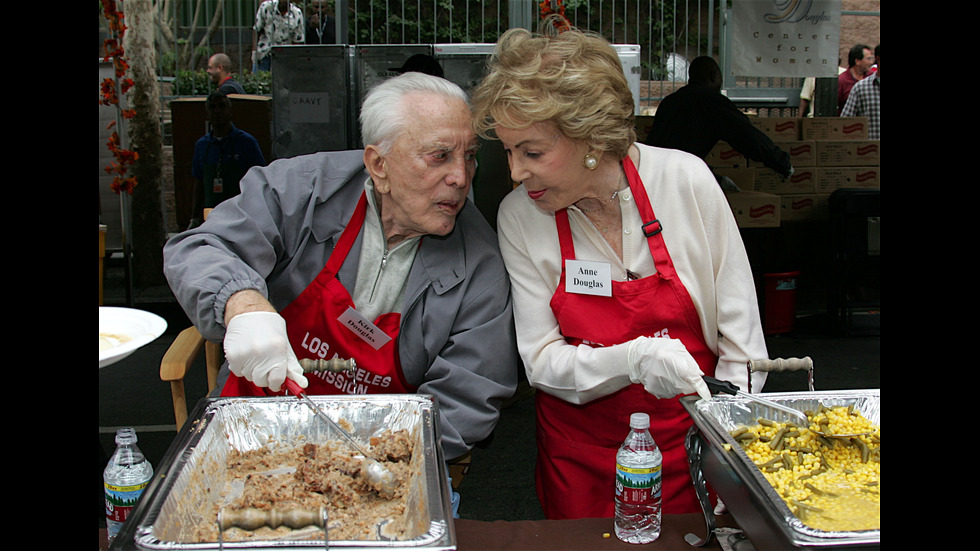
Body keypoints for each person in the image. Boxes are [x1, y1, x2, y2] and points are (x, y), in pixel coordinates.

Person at [471, 18, 768, 520]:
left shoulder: (685, 182)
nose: (516, 172)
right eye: (507, 151)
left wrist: (726, 441)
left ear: (589, 139)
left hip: (695, 452)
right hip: (581, 464)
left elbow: (743, 348)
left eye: (532, 152)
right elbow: (542, 362)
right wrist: (633, 360)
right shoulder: (520, 216)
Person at [164, 72, 519, 482]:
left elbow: (469, 395)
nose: (461, 177)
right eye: (440, 156)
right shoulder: (302, 190)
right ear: (378, 164)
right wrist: (242, 305)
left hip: (376, 457)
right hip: (253, 433)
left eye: (470, 156)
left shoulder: (480, 262)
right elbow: (199, 249)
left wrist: (365, 466)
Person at [645, 56, 793, 180]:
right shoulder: (710, 101)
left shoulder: (670, 101)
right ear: (714, 75)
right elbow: (745, 135)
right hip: (679, 178)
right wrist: (781, 162)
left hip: (652, 174)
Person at [186, 93, 266, 230]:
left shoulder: (246, 143)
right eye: (212, 107)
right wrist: (194, 218)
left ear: (230, 112)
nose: (217, 111)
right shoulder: (202, 146)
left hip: (241, 216)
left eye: (222, 106)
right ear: (207, 114)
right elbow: (198, 183)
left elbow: (261, 181)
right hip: (212, 217)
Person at [252, 0, 305, 72]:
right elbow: (256, 30)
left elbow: (297, 40)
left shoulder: (297, 14)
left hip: (284, 57)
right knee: (259, 80)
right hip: (264, 54)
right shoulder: (266, 7)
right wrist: (254, 51)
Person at [841, 47, 879, 139]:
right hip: (871, 149)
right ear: (878, 59)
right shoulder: (861, 87)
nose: (870, 62)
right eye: (868, 58)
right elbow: (845, 121)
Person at [837, 44, 874, 115]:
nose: (871, 62)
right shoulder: (842, 81)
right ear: (857, 61)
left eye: (871, 59)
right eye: (868, 59)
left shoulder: (872, 77)